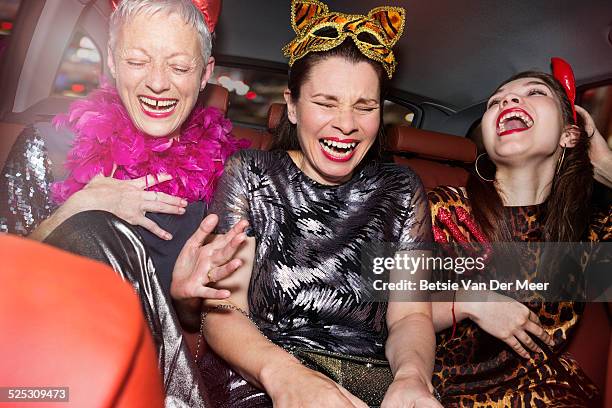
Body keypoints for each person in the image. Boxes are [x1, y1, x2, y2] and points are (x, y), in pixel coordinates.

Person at [0, 1, 249, 406]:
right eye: (137, 61)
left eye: (180, 67)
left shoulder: (226, 183)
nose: (157, 83)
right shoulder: (47, 148)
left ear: (205, 74)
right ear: (113, 63)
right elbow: (6, 284)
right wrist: (74, 209)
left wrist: (188, 304)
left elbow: (210, 335)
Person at [193, 1, 442, 407]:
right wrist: (288, 378)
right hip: (262, 374)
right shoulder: (251, 174)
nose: (346, 124)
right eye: (326, 103)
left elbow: (411, 317)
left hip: (370, 378)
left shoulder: (402, 190)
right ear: (292, 106)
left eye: (365, 106)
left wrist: (411, 379)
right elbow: (223, 310)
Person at [428, 63, 611, 406]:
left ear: (568, 136)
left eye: (535, 93)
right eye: (495, 101)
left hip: (550, 394)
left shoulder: (586, 232)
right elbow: (378, 305)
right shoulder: (444, 208)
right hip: (446, 395)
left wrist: (606, 166)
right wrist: (470, 301)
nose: (507, 99)